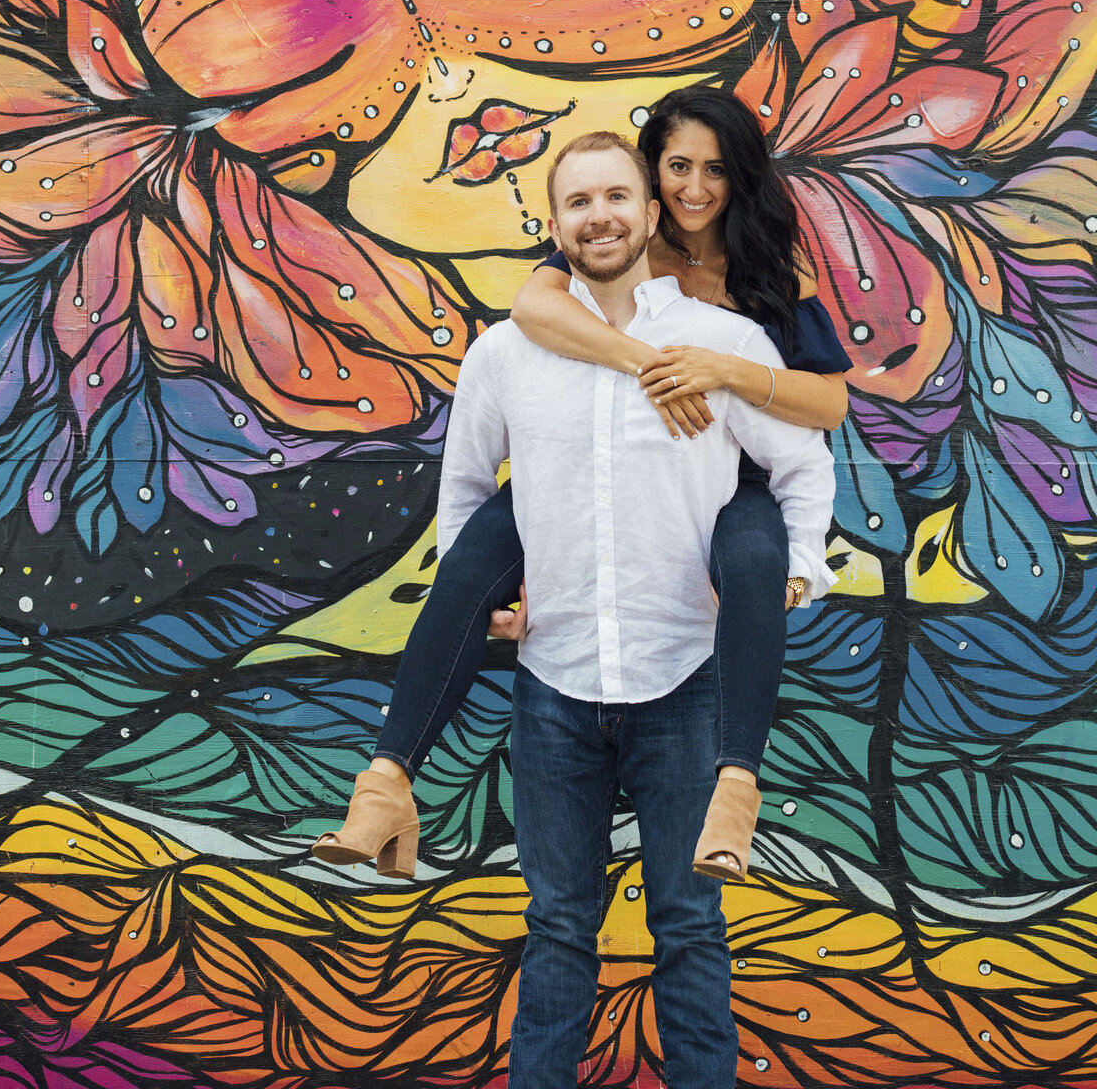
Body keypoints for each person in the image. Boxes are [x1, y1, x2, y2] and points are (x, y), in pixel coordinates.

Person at [355, 131, 835, 1088]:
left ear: (652, 215)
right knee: (558, 928)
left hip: (682, 680)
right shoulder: (506, 354)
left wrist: (803, 567)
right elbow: (463, 488)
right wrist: (488, 590)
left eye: (618, 196)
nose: (601, 216)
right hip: (555, 685)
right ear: (554, 224)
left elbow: (802, 462)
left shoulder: (722, 344)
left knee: (690, 928)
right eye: (579, 203)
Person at [315, 88, 848, 881]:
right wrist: (651, 365)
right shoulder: (617, 244)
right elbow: (534, 310)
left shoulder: (765, 266)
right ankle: (386, 781)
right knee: (473, 559)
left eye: (714, 169)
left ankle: (736, 788)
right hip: (628, 465)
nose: (694, 187)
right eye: (676, 168)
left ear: (740, 177)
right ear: (651, 176)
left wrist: (722, 369)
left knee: (753, 561)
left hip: (725, 474)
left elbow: (828, 408)